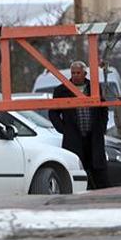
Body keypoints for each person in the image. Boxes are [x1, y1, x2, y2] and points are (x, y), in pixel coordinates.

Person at [48, 61, 110, 190]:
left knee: (97, 169)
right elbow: (53, 113)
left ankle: (102, 192)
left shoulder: (94, 87)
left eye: (78, 73)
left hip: (93, 137)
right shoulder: (62, 90)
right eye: (73, 73)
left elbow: (103, 109)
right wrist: (64, 129)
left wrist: (101, 127)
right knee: (76, 167)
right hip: (74, 138)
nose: (75, 75)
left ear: (85, 73)